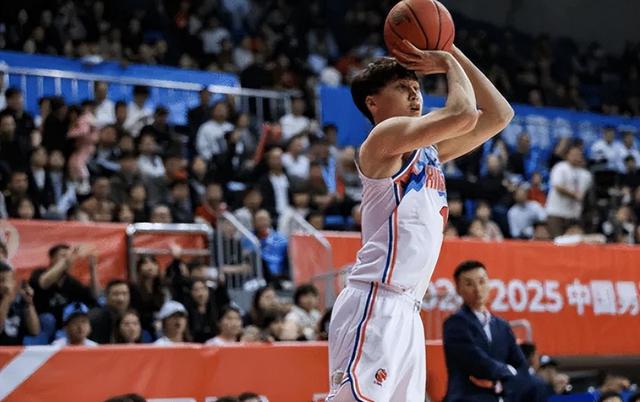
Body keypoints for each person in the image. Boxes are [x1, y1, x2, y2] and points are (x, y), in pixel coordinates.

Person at [327, 37, 514, 401]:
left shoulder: (428, 151)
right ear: (373, 102)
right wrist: (445, 61)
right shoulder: (382, 139)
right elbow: (462, 113)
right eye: (403, 87)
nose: (415, 95)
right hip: (375, 300)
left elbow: (499, 115)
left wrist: (453, 50)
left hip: (408, 307)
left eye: (417, 87)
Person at [443, 261, 527, 401]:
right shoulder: (455, 323)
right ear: (458, 289)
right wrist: (508, 371)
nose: (477, 289)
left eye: (482, 282)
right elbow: (476, 361)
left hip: (500, 395)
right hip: (467, 397)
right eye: (469, 284)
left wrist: (503, 384)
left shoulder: (502, 325)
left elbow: (520, 364)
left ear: (489, 284)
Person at [0, 262, 40, 345]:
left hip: (17, 350)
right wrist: (7, 298)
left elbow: (35, 331)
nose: (6, 285)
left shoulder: (20, 299)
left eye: (8, 280)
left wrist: (29, 302)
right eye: (1, 280)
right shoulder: (7, 298)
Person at [88, 279, 130, 344]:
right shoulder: (97, 318)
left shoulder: (131, 316)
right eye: (115, 294)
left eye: (124, 294)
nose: (121, 299)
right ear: (106, 296)